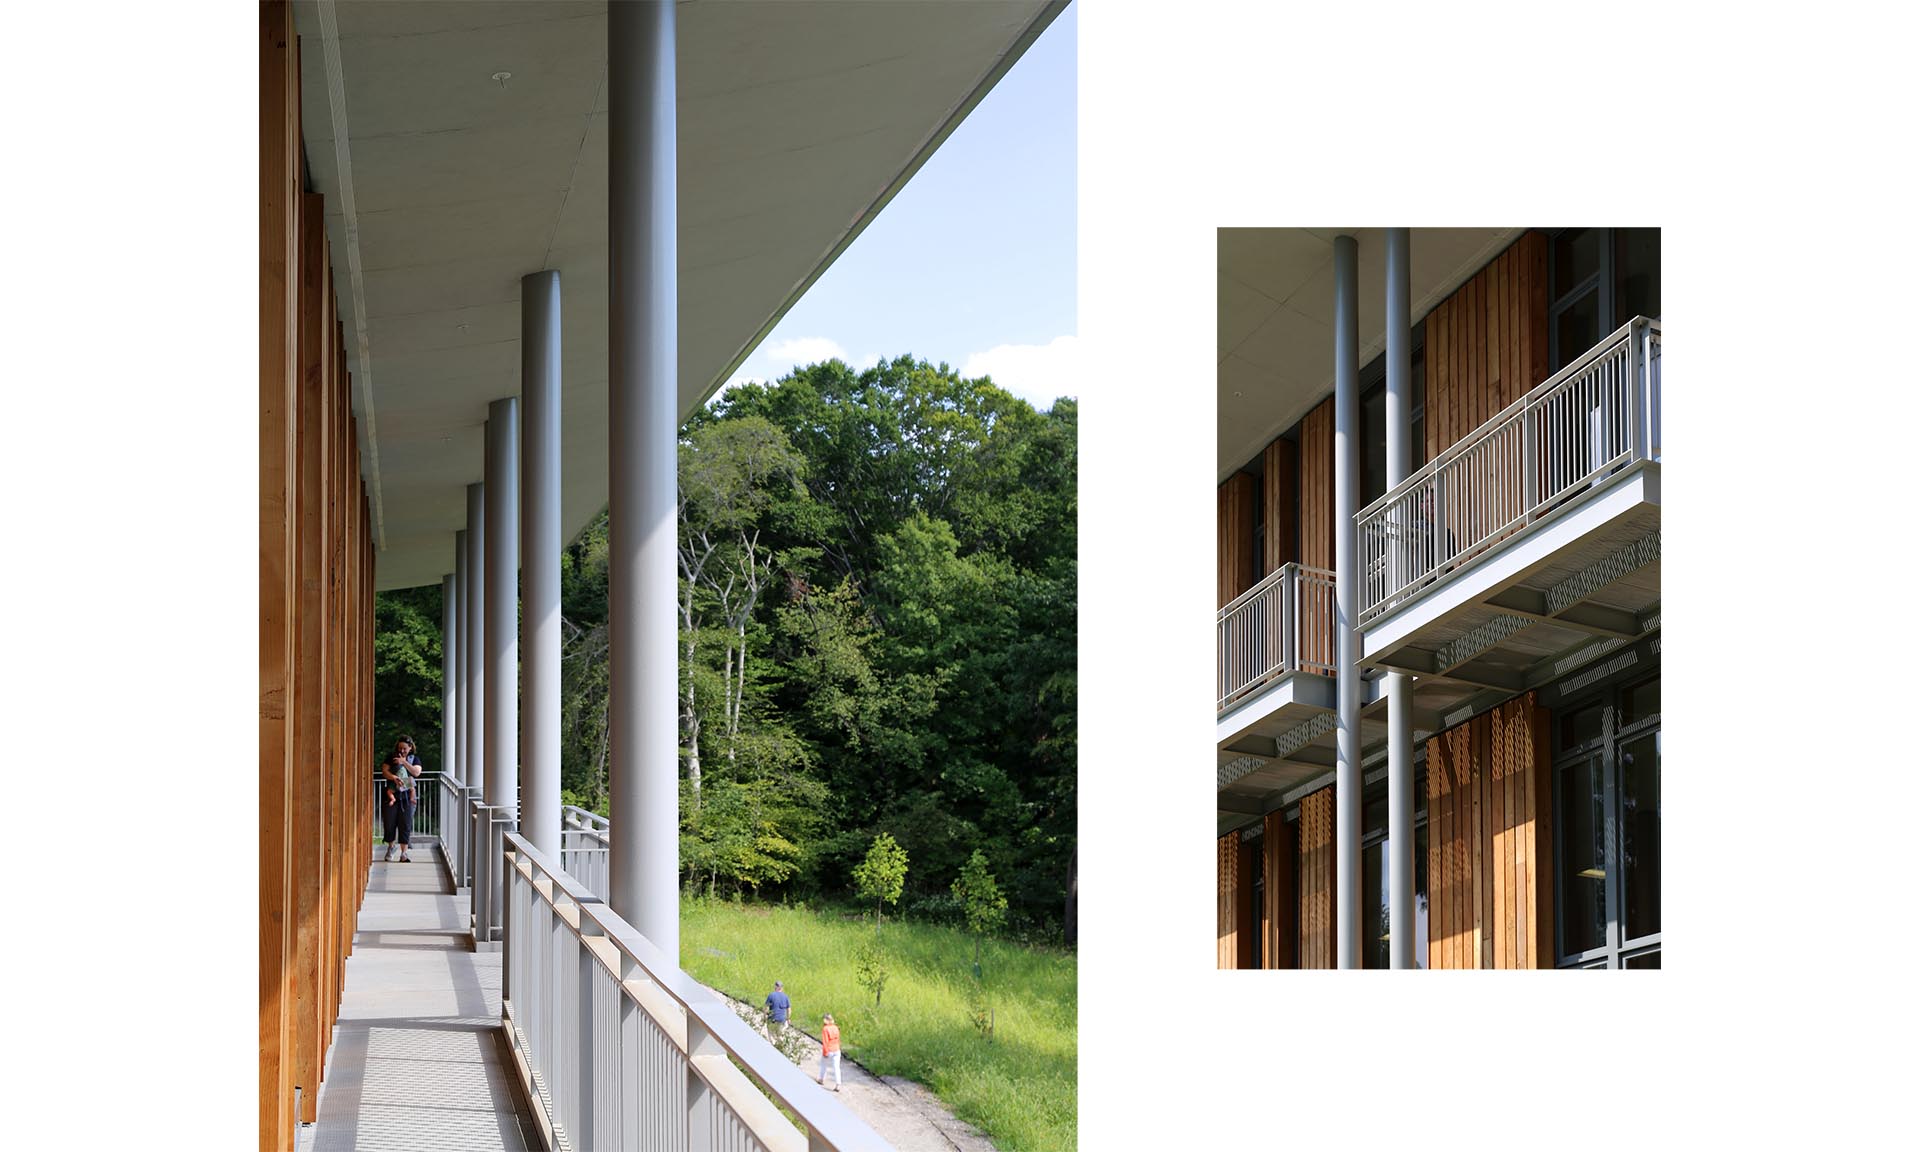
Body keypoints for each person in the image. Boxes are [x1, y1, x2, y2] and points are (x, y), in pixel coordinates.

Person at [381, 736, 423, 862]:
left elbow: (416, 772)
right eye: (400, 748)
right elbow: (384, 771)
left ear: (410, 748)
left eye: (404, 748)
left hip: (407, 796)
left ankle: (404, 854)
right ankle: (391, 846)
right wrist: (393, 777)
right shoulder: (391, 757)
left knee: (405, 824)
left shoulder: (414, 759)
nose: (402, 750)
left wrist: (403, 762)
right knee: (389, 823)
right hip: (393, 793)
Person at [818, 1013, 842, 1092]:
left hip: (829, 1050)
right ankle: (838, 1084)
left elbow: (825, 1042)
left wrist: (825, 1052)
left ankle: (821, 1079)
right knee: (836, 1067)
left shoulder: (825, 1029)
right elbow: (838, 1039)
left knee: (823, 1064)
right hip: (837, 1049)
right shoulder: (836, 1027)